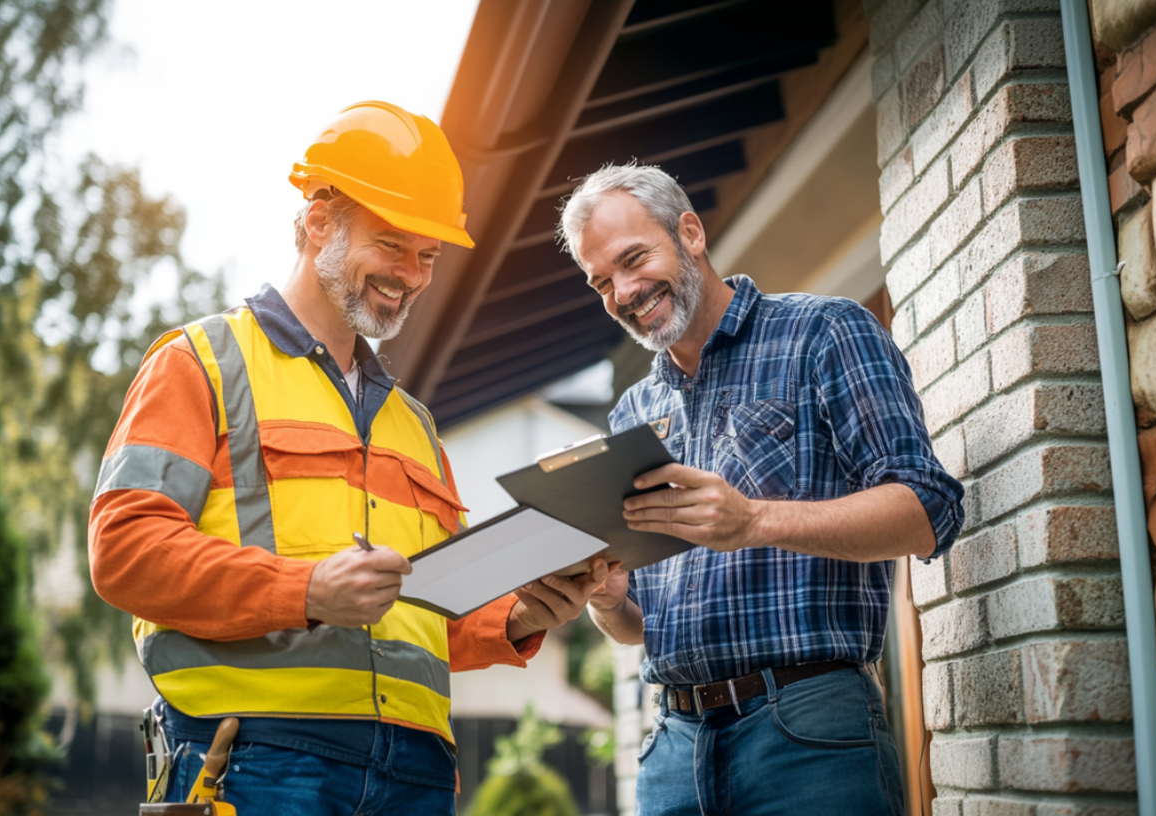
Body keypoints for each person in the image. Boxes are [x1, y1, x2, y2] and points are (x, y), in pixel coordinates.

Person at [89, 101, 612, 815]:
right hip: (256, 760)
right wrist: (306, 591)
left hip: (419, 772)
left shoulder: (415, 424)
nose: (414, 275)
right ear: (319, 223)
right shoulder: (200, 365)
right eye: (393, 244)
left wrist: (520, 615)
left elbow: (433, 613)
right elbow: (124, 551)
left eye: (428, 255)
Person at [560, 162, 965, 816]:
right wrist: (606, 603)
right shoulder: (632, 412)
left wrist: (754, 522)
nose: (625, 292)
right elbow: (636, 625)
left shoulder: (824, 333)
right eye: (601, 281)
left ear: (689, 233)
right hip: (671, 748)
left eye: (634, 259)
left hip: (806, 732)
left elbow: (929, 510)